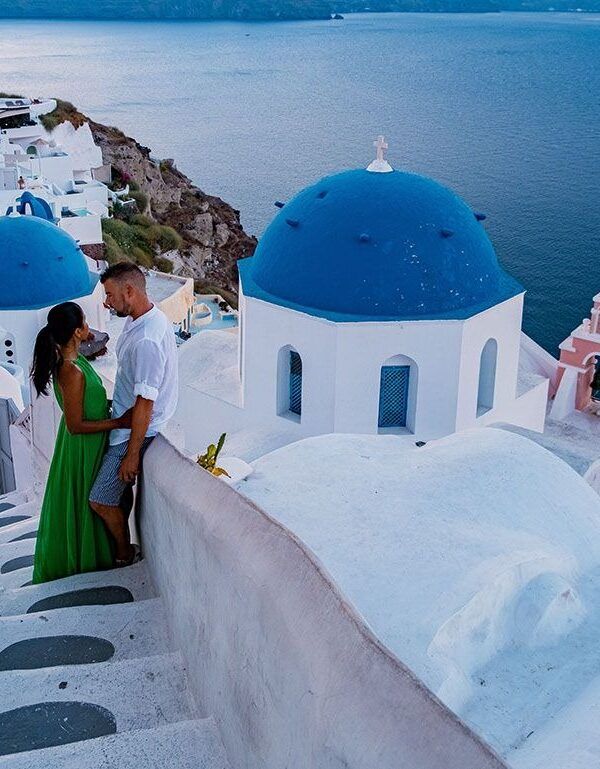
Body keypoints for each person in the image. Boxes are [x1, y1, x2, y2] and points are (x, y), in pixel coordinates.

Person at [30, 302, 131, 584]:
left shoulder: (78, 362)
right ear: (76, 331)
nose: (89, 327)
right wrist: (119, 423)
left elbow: (89, 404)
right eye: (84, 322)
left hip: (89, 446)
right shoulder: (71, 371)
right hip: (82, 449)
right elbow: (75, 426)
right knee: (87, 505)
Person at [89, 262, 178, 566]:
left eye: (110, 295)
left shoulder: (147, 340)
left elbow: (145, 403)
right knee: (119, 495)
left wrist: (132, 455)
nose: (106, 302)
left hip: (132, 434)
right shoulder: (142, 319)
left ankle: (123, 554)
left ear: (129, 290)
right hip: (124, 424)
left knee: (100, 499)